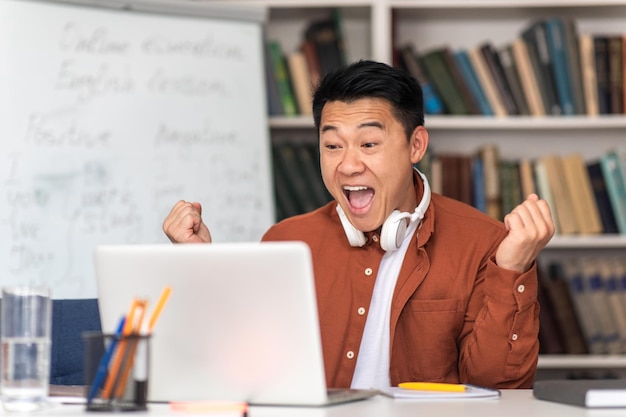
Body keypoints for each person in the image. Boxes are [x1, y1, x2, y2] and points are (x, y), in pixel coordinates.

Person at [162, 60, 555, 390]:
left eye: (369, 144)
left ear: (416, 145)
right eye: (332, 146)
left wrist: (512, 270)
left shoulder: (482, 242)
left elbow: (498, 390)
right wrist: (201, 268)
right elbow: (242, 376)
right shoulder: (287, 240)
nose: (348, 165)